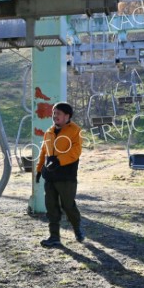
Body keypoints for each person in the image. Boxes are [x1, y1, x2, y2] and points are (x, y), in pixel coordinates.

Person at [35, 102, 84, 247]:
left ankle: (77, 229)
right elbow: (43, 152)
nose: (55, 116)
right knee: (51, 207)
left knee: (68, 206)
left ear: (67, 116)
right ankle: (54, 237)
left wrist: (58, 161)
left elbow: (76, 152)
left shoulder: (75, 131)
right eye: (54, 113)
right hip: (50, 176)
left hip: (66, 176)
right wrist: (39, 169)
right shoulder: (49, 132)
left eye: (58, 114)